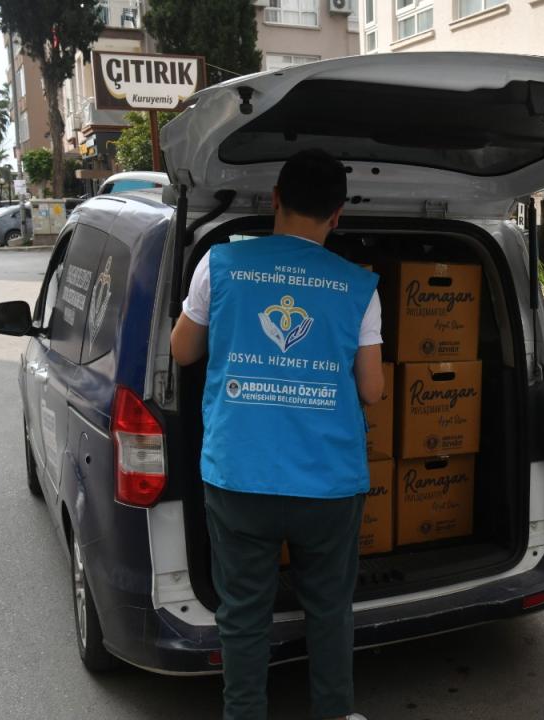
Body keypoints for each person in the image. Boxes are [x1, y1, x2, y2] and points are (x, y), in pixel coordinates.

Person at [170, 148, 382, 720]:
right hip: (329, 483)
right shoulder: (358, 286)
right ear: (338, 215)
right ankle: (334, 712)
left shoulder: (220, 266)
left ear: (276, 201)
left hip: (240, 475)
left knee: (242, 614)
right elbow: (371, 390)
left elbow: (183, 350)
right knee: (330, 608)